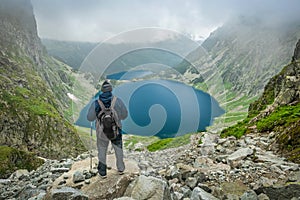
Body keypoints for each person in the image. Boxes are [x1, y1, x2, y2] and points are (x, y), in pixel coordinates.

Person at [87, 80, 128, 178]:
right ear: (111, 90)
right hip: (116, 130)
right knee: (118, 149)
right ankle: (120, 168)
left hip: (101, 132)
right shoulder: (117, 101)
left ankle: (102, 172)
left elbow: (89, 117)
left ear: (102, 91)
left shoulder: (96, 103)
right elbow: (125, 115)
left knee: (102, 151)